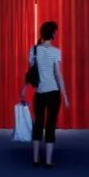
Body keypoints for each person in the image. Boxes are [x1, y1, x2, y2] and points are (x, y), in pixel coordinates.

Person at [19, 21, 69, 168]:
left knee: (38, 125)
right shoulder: (56, 52)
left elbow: (31, 73)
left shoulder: (34, 50)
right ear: (53, 34)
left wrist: (24, 89)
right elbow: (58, 75)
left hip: (39, 93)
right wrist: (65, 95)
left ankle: (35, 160)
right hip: (54, 93)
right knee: (50, 125)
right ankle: (48, 161)